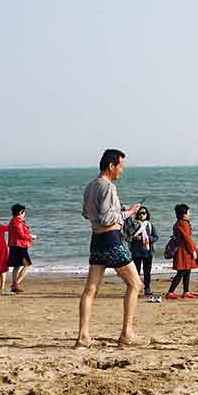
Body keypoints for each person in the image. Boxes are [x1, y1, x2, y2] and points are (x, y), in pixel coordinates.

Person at [76, 149, 143, 349]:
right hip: (111, 239)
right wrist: (128, 213)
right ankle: (126, 333)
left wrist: (118, 211)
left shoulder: (89, 187)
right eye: (120, 166)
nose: (121, 171)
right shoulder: (108, 187)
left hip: (96, 239)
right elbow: (107, 219)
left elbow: (86, 214)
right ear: (111, 165)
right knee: (135, 284)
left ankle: (83, 336)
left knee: (90, 290)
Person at [166, 204, 198, 299]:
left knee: (187, 271)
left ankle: (186, 291)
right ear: (184, 214)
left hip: (183, 249)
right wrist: (193, 250)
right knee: (182, 271)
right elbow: (187, 239)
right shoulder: (183, 223)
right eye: (188, 211)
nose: (189, 213)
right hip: (183, 251)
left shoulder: (180, 222)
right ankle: (170, 292)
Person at [125, 206, 159, 296]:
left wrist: (147, 238)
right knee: (136, 272)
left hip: (148, 252)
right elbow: (128, 236)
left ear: (147, 214)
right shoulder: (134, 224)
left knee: (147, 272)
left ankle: (147, 288)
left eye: (144, 213)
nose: (142, 215)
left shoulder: (150, 225)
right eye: (140, 213)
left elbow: (156, 237)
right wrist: (135, 238)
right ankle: (135, 288)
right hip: (136, 252)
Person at [7, 204, 38, 293]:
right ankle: (16, 283)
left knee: (16, 266)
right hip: (19, 246)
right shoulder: (17, 222)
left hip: (15, 245)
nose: (25, 214)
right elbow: (21, 235)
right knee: (27, 265)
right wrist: (31, 236)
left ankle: (14, 284)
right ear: (20, 212)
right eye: (24, 212)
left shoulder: (13, 221)